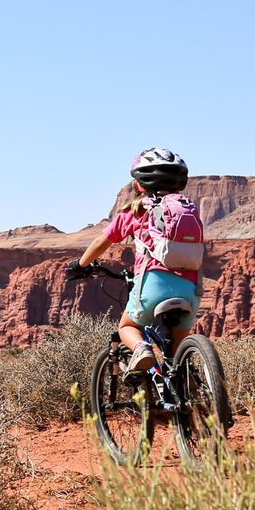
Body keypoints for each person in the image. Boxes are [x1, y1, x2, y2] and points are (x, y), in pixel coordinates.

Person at [69, 148, 203, 382]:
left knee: (127, 327)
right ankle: (190, 391)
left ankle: (141, 350)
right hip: (191, 287)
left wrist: (80, 265)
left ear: (140, 183)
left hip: (153, 284)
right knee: (178, 355)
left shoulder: (137, 211)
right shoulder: (188, 209)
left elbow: (102, 241)